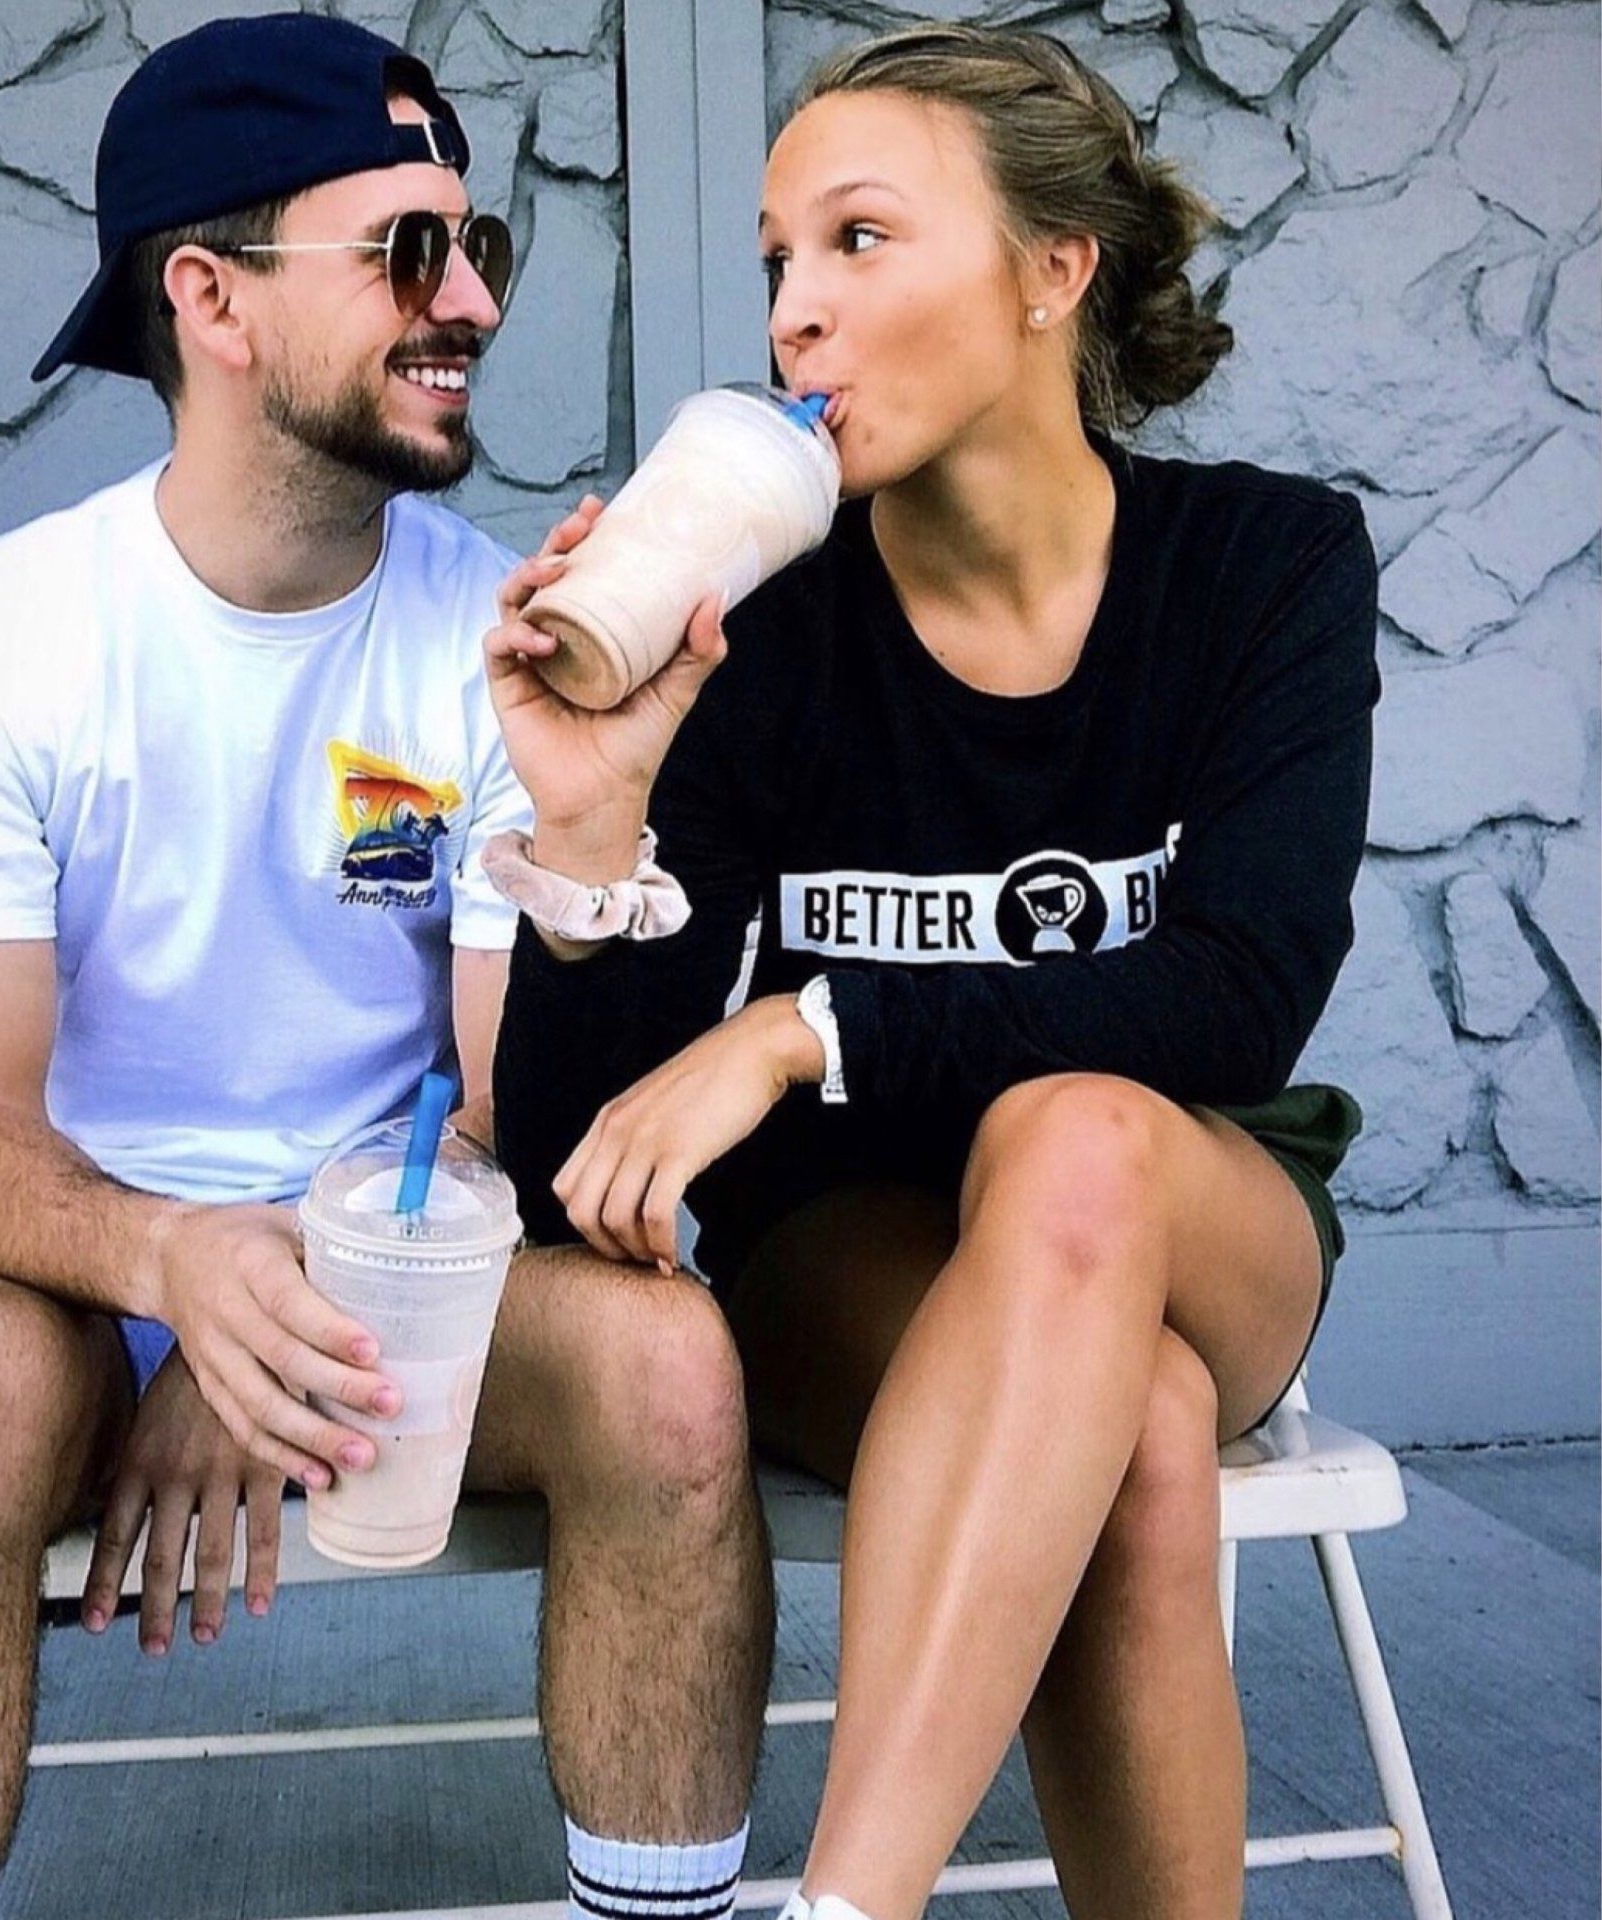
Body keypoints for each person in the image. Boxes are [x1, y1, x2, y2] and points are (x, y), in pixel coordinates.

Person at [0, 19, 771, 1920]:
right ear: (210, 298)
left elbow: (508, 1107)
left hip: (407, 1257)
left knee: (665, 1368)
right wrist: (178, 1272)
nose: (472, 300)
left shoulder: (504, 647)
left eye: (480, 246)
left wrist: (295, 1314)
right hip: (63, 1270)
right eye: (408, 251)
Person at [487, 22, 1378, 1920]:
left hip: (1191, 1198)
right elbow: (582, 1160)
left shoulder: (1268, 568)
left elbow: (1236, 996)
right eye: (779, 261)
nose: (794, 313)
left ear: (1055, 271)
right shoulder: (761, 626)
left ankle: (847, 1905)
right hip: (859, 1248)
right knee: (1133, 1430)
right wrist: (591, 835)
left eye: (861, 238)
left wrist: (802, 1028)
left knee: (1076, 1138)